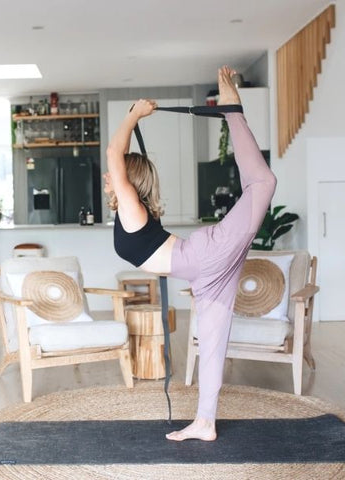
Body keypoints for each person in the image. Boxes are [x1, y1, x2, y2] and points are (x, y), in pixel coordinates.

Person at [105, 66, 277, 441]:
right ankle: (205, 422)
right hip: (202, 273)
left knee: (263, 182)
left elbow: (113, 152)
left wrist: (133, 115)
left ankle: (232, 109)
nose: (107, 178)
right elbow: (115, 159)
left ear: (128, 182)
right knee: (212, 343)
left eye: (114, 176)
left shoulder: (132, 210)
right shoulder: (131, 213)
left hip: (204, 257)